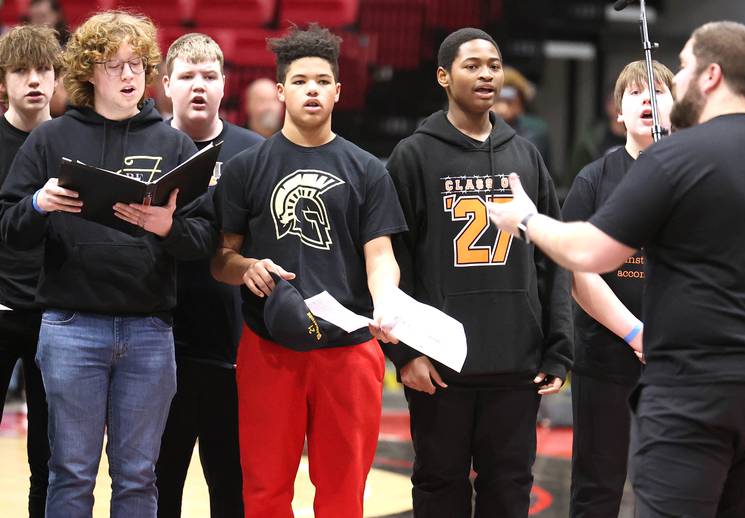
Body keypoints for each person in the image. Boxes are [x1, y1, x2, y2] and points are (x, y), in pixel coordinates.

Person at [487, 21, 745, 517]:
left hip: (699, 387)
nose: (677, 80)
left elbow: (590, 252)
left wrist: (525, 218)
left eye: (685, 67)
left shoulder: (679, 157)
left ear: (712, 76)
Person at [0, 11, 215, 517]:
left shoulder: (173, 143)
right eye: (115, 65)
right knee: (70, 473)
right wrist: (39, 204)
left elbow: (203, 238)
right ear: (88, 72)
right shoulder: (50, 140)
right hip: (70, 326)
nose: (129, 75)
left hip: (148, 330)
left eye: (137, 64)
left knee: (139, 477)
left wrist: (167, 227)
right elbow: (8, 226)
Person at [210, 23, 406, 517]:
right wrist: (247, 268)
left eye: (322, 81)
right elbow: (222, 258)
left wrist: (386, 302)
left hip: (350, 348)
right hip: (269, 346)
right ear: (280, 90)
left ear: (338, 91)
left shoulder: (368, 169)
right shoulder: (245, 169)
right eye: (300, 81)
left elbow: (379, 254)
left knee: (343, 493)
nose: (312, 89)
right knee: (264, 490)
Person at [384, 27, 572, 518]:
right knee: (437, 487)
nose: (487, 74)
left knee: (509, 491)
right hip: (440, 368)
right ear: (444, 76)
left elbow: (552, 254)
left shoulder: (525, 154)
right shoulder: (413, 156)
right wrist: (403, 352)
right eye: (473, 65)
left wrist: (558, 347)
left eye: (494, 64)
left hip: (516, 363)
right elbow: (390, 262)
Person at [156, 32, 263, 518]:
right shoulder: (143, 145)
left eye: (209, 76)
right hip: (157, 344)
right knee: (157, 481)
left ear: (225, 86)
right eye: (186, 76)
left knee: (232, 483)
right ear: (165, 86)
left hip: (234, 346)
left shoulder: (254, 152)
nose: (198, 86)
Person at [562, 59, 673, 518]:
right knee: (597, 485)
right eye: (634, 93)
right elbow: (576, 271)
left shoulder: (698, 176)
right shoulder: (594, 179)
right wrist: (635, 334)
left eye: (659, 91)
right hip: (605, 357)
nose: (647, 98)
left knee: (674, 487)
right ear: (619, 114)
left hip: (681, 360)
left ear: (679, 106)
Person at [0, 24, 62, 518]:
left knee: (49, 456)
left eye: (43, 69)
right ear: (5, 80)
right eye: (21, 71)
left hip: (53, 313)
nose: (34, 80)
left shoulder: (71, 142)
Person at [492, 65, 552, 170]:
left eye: (509, 101)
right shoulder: (474, 129)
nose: (502, 108)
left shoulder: (536, 131)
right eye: (497, 100)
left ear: (521, 102)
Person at [566, 90, 627, 188]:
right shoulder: (590, 141)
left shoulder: (643, 137)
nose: (619, 107)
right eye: (615, 101)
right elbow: (575, 180)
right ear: (607, 106)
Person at [24, 0, 69, 117]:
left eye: (43, 16)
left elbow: (59, 102)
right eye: (34, 17)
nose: (38, 22)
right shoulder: (21, 51)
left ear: (57, 16)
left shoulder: (71, 48)